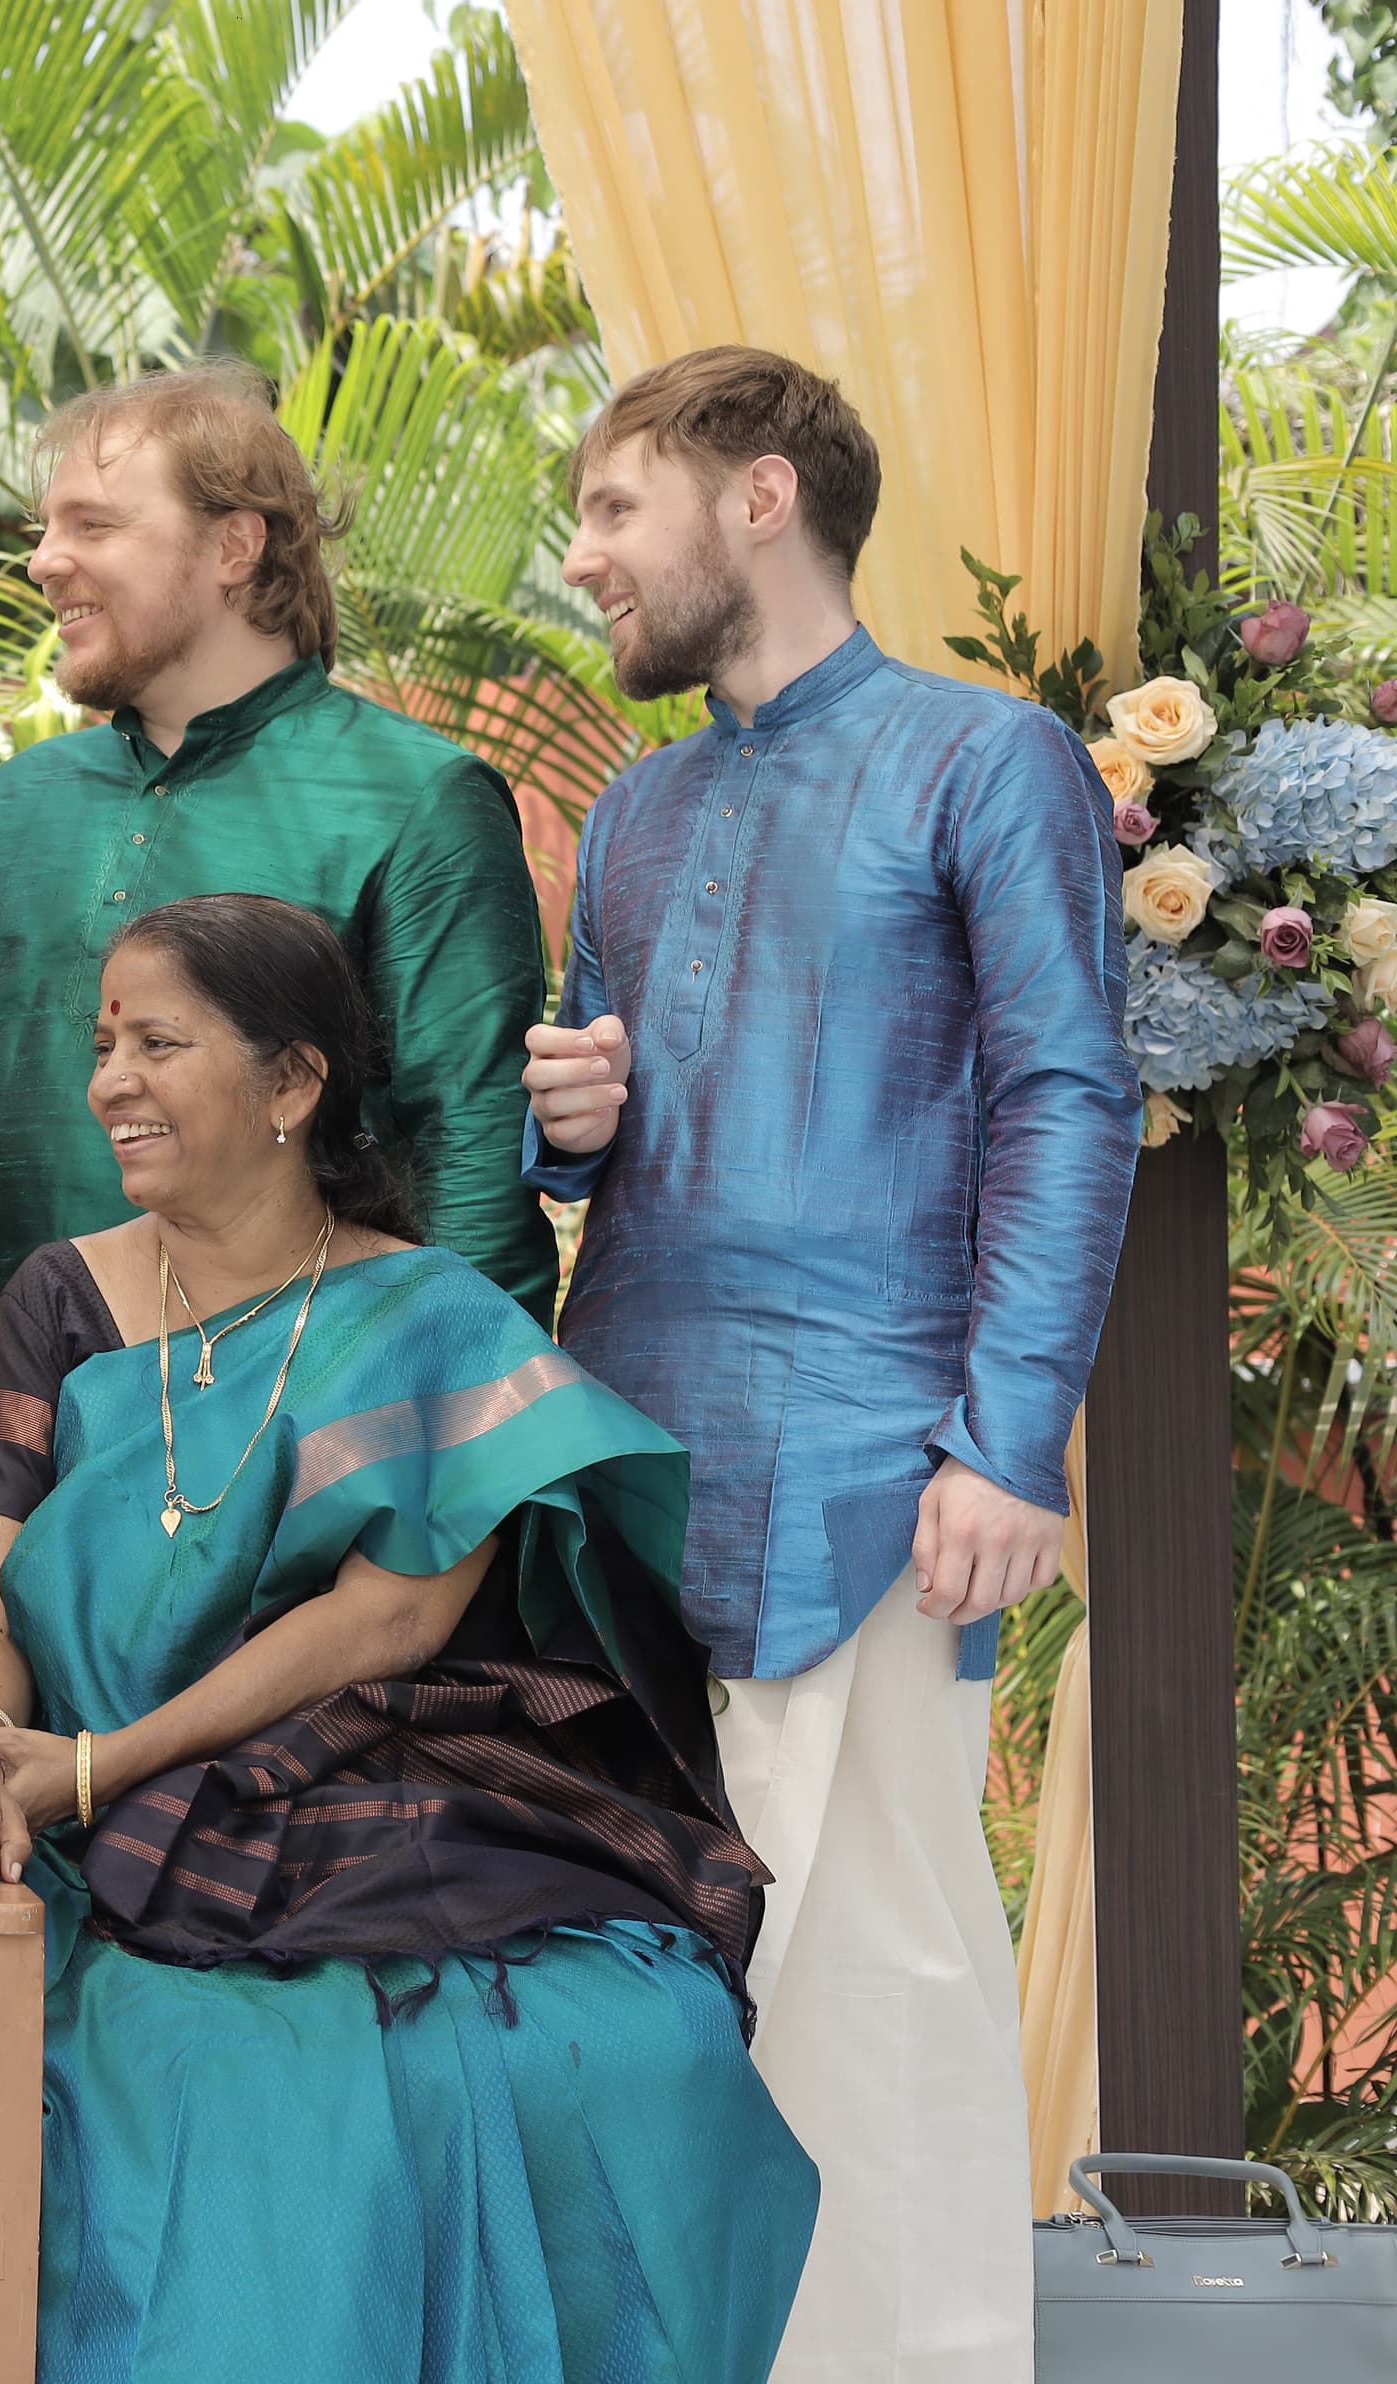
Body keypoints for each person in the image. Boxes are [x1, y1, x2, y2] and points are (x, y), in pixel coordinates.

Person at [0, 892, 815, 2383]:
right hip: (102, 1841)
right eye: (102, 1043)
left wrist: (89, 1760)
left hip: (350, 1774)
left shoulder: (428, 1315)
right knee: (239, 2073)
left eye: (155, 1043)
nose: (105, 1081)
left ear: (291, 1083)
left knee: (636, 2039)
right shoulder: (61, 1299)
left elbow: (391, 1617)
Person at [522, 346, 1135, 2384]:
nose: (586, 551)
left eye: (618, 508)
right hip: (629, 1459)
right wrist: (573, 1121)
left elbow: (1067, 1095)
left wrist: (1008, 1437)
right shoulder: (636, 803)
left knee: (879, 1963)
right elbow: (609, 1110)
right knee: (662, 1973)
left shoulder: (985, 757)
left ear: (758, 498)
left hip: (879, 1467)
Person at [0, 365, 559, 1325]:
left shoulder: (415, 798)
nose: (43, 561)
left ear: (236, 545)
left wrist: (472, 1446)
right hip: (13, 1428)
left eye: (93, 525)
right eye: (45, 529)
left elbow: (474, 1162)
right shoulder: (19, 800)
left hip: (293, 1433)